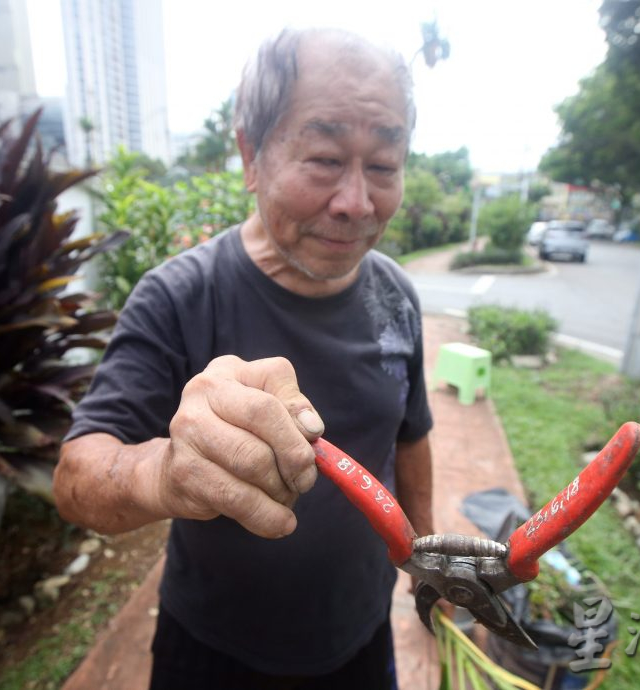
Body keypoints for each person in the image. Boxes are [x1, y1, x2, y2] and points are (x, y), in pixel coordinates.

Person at [53, 27, 434, 690]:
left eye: (382, 166)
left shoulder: (395, 294)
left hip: (360, 635)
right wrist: (165, 475)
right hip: (214, 651)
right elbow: (77, 477)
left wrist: (427, 558)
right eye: (322, 157)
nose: (355, 203)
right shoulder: (178, 296)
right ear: (250, 156)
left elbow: (409, 437)